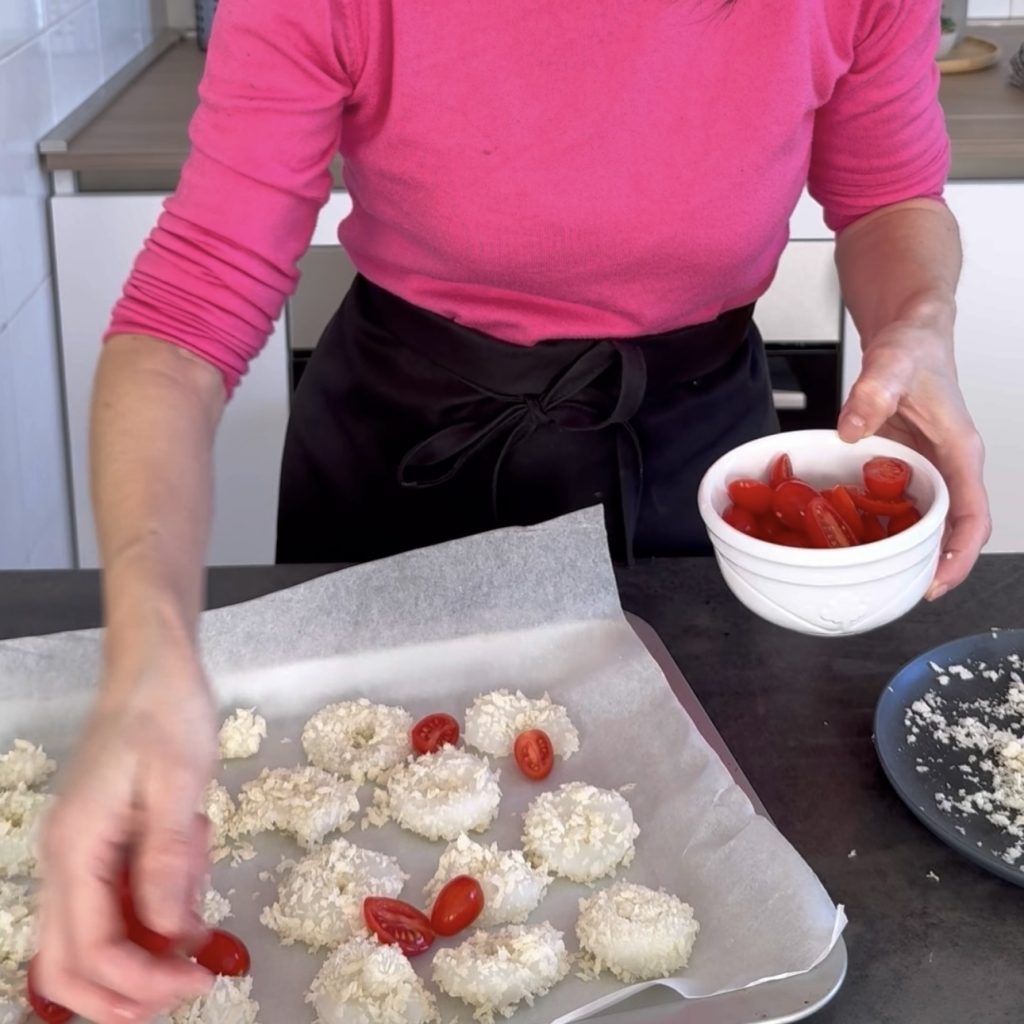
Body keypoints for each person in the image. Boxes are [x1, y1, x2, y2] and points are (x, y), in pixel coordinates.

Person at [36, 0, 990, 1019]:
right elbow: (189, 309)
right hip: (402, 455)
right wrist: (144, 659)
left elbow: (888, 196)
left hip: (700, 469)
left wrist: (917, 323)